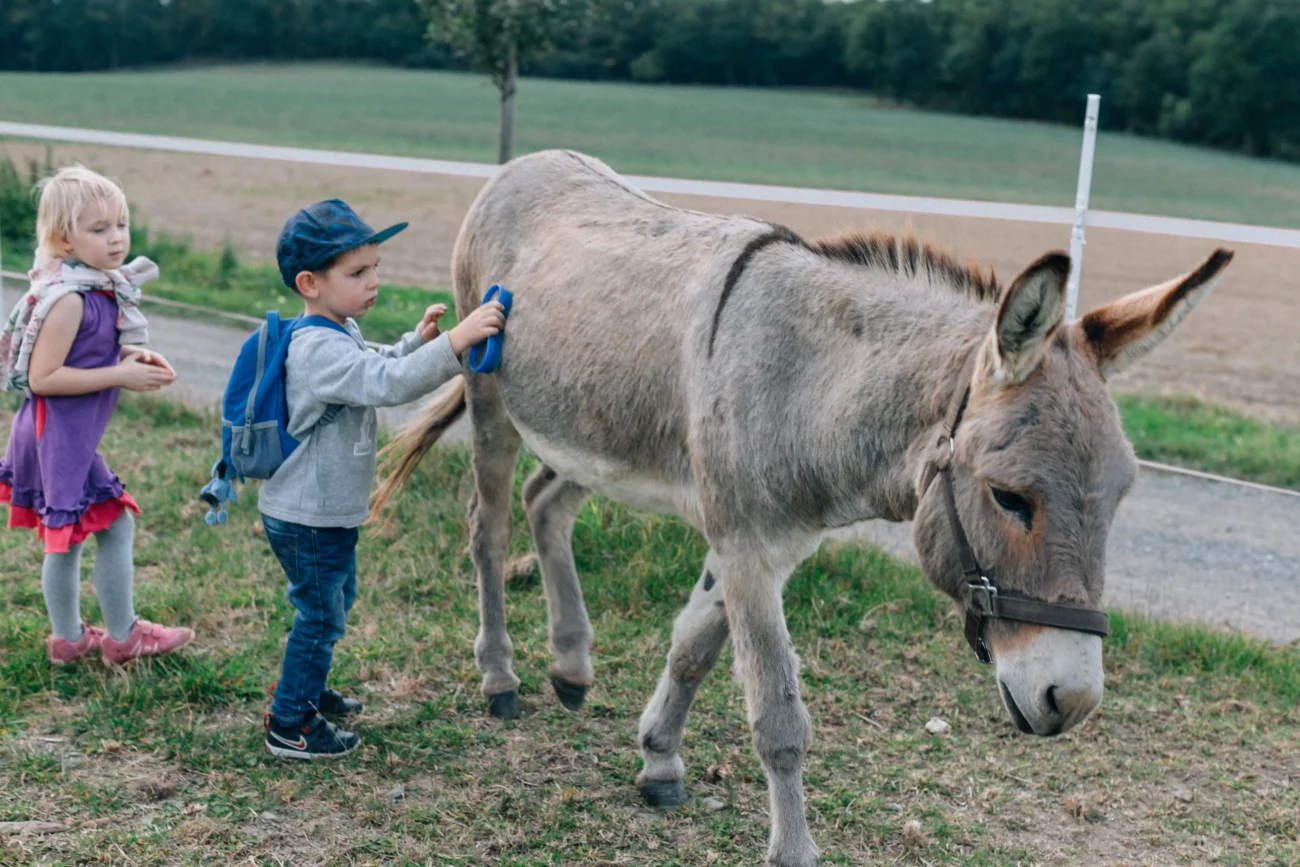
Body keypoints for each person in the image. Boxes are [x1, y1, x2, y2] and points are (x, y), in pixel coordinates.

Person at [259, 199, 505, 759]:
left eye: (375, 268)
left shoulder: (333, 329)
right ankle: (290, 724)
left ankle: (306, 687)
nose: (373, 282)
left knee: (331, 603)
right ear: (309, 283)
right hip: (307, 516)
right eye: (357, 273)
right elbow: (385, 383)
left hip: (320, 512)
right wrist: (456, 342)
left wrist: (418, 342)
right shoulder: (317, 347)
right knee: (321, 614)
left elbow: (378, 362)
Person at [0, 165, 194, 665]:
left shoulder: (99, 287)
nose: (116, 239)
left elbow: (95, 357)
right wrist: (119, 376)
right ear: (65, 240)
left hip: (64, 434)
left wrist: (136, 360)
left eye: (121, 224)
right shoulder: (68, 300)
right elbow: (45, 379)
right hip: (55, 434)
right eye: (99, 229)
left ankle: (70, 641)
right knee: (96, 528)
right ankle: (121, 638)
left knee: (75, 535)